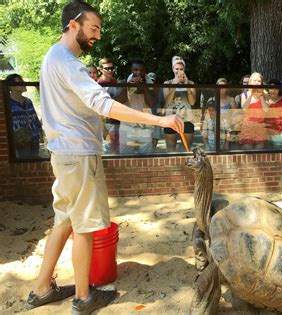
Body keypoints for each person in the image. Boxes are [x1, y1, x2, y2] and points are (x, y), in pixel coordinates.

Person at [25, 2, 183, 314]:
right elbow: (103, 104)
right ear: (74, 25)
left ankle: (41, 288)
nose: (97, 35)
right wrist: (160, 120)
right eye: (93, 28)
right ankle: (84, 298)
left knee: (65, 221)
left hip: (63, 154)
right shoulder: (67, 62)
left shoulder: (51, 57)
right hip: (79, 155)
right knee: (84, 226)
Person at [116, 59, 156, 154]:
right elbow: (118, 101)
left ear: (145, 71)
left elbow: (152, 104)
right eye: (136, 70)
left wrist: (144, 86)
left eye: (141, 70)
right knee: (126, 160)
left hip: (145, 128)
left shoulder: (151, 84)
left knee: (146, 160)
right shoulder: (124, 82)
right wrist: (128, 86)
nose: (138, 72)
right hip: (127, 127)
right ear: (131, 70)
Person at [5, 73, 43, 158]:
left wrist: (40, 131)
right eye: (20, 81)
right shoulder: (8, 103)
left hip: (34, 138)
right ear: (12, 86)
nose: (23, 83)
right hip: (20, 140)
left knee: (34, 162)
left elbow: (34, 117)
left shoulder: (28, 101)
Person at [163, 56, 196, 152]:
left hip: (187, 120)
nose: (179, 71)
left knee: (186, 149)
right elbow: (167, 102)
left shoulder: (190, 83)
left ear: (184, 70)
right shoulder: (167, 83)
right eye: (176, 69)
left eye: (181, 69)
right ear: (173, 69)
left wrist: (187, 86)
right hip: (171, 119)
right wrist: (174, 85)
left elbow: (192, 102)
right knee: (171, 150)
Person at [238, 72, 268, 149]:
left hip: (260, 126)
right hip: (248, 126)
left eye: (259, 81)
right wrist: (251, 94)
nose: (257, 83)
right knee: (248, 148)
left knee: (259, 149)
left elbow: (266, 110)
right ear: (250, 82)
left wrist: (261, 96)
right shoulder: (245, 94)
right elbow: (244, 109)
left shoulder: (265, 94)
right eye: (255, 80)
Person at [97, 57, 120, 154]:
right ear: (101, 70)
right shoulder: (97, 84)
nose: (110, 70)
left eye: (111, 68)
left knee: (117, 151)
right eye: (107, 68)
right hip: (103, 122)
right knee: (106, 152)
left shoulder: (116, 83)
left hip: (116, 121)